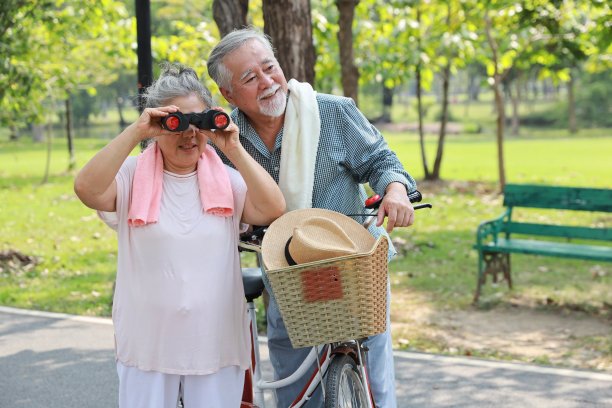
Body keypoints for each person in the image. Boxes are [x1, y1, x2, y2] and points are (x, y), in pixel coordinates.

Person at [207, 28, 417, 407]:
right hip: (287, 278)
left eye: (269, 68)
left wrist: (396, 191)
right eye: (250, 78)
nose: (268, 82)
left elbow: (382, 161)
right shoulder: (225, 140)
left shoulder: (333, 112)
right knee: (294, 388)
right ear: (229, 94)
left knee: (376, 382)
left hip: (353, 270)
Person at [73, 62, 285, 408]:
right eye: (175, 124)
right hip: (148, 345)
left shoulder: (226, 181)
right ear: (156, 125)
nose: (189, 134)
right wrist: (135, 132)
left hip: (214, 343)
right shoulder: (130, 176)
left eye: (197, 122)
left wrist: (232, 147)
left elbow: (273, 207)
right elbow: (86, 188)